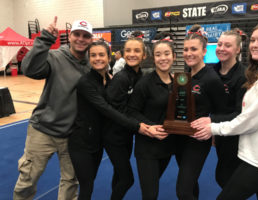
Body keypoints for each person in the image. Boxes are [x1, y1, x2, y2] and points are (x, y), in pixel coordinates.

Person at [192, 21, 258, 200]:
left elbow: (250, 120)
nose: (255, 44)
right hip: (257, 152)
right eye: (253, 40)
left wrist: (213, 127)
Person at [13, 17, 93, 200]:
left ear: (91, 39)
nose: (81, 39)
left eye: (85, 35)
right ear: (70, 36)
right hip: (43, 130)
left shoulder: (92, 65)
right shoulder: (55, 57)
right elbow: (29, 69)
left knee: (71, 181)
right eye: (77, 34)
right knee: (28, 179)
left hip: (73, 135)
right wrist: (45, 39)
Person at [67, 40, 151, 200]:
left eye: (101, 55)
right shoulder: (86, 82)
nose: (97, 58)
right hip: (82, 141)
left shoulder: (109, 79)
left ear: (109, 56)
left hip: (98, 140)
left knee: (116, 178)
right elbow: (107, 110)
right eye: (93, 55)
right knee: (88, 186)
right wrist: (137, 126)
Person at [175, 24, 227, 200]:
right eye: (185, 49)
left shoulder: (211, 78)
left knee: (182, 191)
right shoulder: (184, 76)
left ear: (204, 51)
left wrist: (212, 126)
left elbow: (224, 110)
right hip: (180, 136)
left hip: (197, 140)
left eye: (194, 49)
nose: (188, 53)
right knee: (190, 184)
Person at [127, 32, 176, 200]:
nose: (163, 58)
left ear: (174, 56)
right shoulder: (145, 83)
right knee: (150, 195)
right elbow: (131, 111)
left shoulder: (178, 82)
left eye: (166, 54)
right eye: (158, 54)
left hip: (167, 146)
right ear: (153, 58)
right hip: (147, 147)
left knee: (154, 185)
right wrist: (150, 127)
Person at [103, 31, 147, 200]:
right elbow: (113, 111)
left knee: (119, 175)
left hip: (127, 136)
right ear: (123, 53)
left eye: (136, 51)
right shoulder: (121, 78)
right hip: (113, 137)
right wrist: (138, 126)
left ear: (143, 55)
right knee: (127, 179)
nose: (132, 54)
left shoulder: (140, 77)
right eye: (128, 50)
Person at [212, 28, 248, 188]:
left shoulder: (243, 76)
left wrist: (212, 122)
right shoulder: (211, 71)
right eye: (219, 44)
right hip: (217, 132)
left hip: (235, 134)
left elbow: (241, 113)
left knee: (225, 177)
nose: (221, 48)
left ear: (238, 49)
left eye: (227, 45)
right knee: (223, 175)